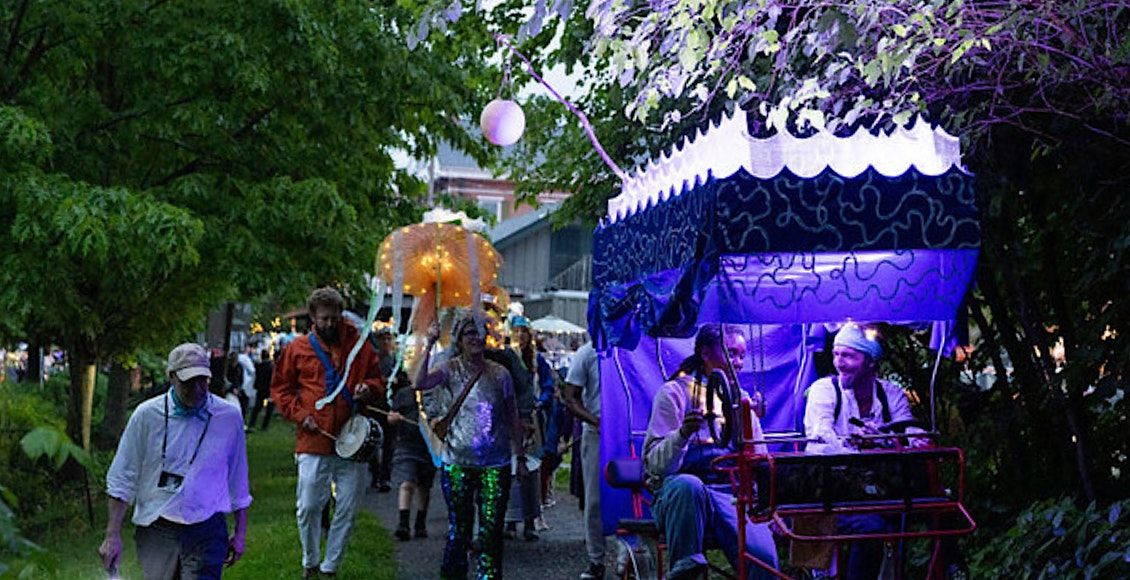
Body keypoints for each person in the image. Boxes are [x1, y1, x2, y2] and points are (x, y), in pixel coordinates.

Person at [99, 343, 252, 579]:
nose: (197, 389)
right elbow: (123, 477)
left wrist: (240, 533)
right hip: (157, 527)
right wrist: (112, 535)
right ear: (171, 377)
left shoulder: (228, 417)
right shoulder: (146, 416)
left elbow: (238, 478)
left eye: (202, 380)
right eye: (189, 382)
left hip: (207, 526)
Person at [644, 324, 779, 580]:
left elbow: (758, 456)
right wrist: (683, 434)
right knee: (688, 485)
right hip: (682, 494)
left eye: (742, 355)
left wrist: (764, 504)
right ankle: (685, 567)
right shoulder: (674, 393)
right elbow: (656, 466)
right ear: (705, 353)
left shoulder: (741, 399)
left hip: (730, 492)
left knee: (765, 563)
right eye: (731, 353)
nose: (738, 362)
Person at [270, 287, 385, 579]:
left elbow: (378, 381)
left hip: (352, 439)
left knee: (348, 507)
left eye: (334, 318)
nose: (330, 324)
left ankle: (330, 567)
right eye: (324, 319)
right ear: (313, 318)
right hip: (313, 438)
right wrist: (300, 415)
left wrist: (369, 389)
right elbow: (281, 390)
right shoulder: (297, 348)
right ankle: (310, 560)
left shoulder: (359, 345)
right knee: (308, 506)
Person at [803, 322, 927, 578]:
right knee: (872, 527)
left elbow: (906, 428)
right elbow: (820, 435)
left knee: (941, 513)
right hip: (834, 488)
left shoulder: (890, 393)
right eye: (836, 354)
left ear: (870, 361)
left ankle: (948, 568)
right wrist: (853, 446)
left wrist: (909, 439)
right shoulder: (824, 390)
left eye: (848, 356)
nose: (839, 363)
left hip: (880, 488)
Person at [415, 310, 525, 580]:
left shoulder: (500, 374)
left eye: (479, 332)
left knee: (491, 531)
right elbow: (420, 382)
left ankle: (488, 576)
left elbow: (513, 416)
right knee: (459, 530)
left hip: (495, 464)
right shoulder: (449, 369)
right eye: (469, 333)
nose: (475, 338)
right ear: (459, 338)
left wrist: (520, 456)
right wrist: (429, 344)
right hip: (457, 464)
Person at [561, 341, 606, 580]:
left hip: (626, 433)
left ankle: (628, 557)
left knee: (631, 494)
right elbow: (570, 397)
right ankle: (596, 559)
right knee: (594, 499)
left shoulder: (629, 349)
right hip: (597, 433)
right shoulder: (587, 353)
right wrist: (594, 421)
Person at [502, 316, 548, 541]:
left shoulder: (537, 360)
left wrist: (540, 402)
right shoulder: (505, 356)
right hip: (510, 420)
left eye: (523, 331)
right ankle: (510, 520)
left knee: (530, 470)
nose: (520, 335)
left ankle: (530, 521)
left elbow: (548, 386)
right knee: (511, 469)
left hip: (531, 419)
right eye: (516, 331)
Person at [386, 332, 436, 541]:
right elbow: (390, 416)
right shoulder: (403, 394)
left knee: (424, 486)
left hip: (428, 447)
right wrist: (394, 417)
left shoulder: (433, 394)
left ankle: (420, 522)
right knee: (406, 482)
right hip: (406, 445)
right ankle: (403, 523)